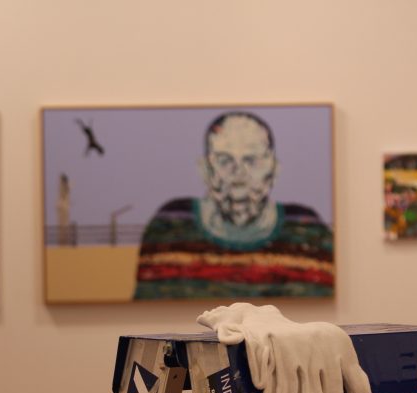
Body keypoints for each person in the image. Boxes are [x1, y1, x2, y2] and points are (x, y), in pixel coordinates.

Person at [134, 111, 334, 299]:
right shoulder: (170, 228)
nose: (239, 176)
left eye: (252, 161)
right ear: (205, 170)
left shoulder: (310, 233)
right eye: (224, 161)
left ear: (274, 169)